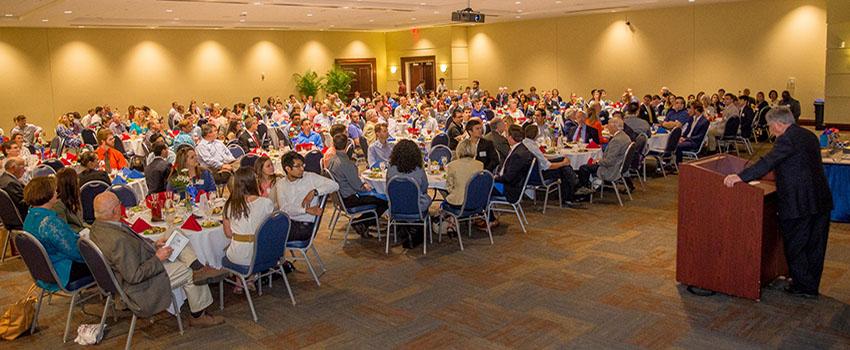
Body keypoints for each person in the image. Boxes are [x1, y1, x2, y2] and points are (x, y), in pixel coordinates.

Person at [723, 107, 832, 298]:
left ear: (779, 124)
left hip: (799, 202)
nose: (770, 131)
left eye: (771, 127)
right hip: (820, 199)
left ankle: (803, 287)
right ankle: (809, 283)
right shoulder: (808, 134)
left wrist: (740, 177)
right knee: (815, 245)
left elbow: (768, 162)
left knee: (796, 244)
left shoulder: (786, 139)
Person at [89, 191, 225, 326]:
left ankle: (198, 267)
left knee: (174, 231)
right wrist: (158, 258)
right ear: (115, 211)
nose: (122, 205)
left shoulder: (98, 227)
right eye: (120, 204)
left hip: (142, 260)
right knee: (189, 272)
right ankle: (198, 315)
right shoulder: (118, 241)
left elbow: (134, 247)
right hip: (142, 285)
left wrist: (154, 244)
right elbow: (134, 276)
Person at [23, 176, 90, 290]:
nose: (57, 193)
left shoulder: (30, 216)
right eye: (54, 190)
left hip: (44, 271)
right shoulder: (50, 222)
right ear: (48, 195)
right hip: (62, 272)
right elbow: (75, 251)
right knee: (107, 259)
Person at [222, 168, 275, 293]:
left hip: (240, 256)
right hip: (263, 255)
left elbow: (228, 233)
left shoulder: (230, 205)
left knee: (234, 247)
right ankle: (250, 278)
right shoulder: (266, 203)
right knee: (252, 245)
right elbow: (270, 228)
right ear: (253, 183)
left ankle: (240, 280)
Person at [327, 133, 387, 236]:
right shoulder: (347, 164)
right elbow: (358, 187)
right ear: (346, 145)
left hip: (339, 197)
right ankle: (362, 222)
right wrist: (367, 188)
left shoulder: (332, 160)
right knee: (384, 201)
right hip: (349, 199)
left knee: (376, 195)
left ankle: (362, 222)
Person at [274, 152, 339, 242]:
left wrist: (314, 192)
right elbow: (284, 209)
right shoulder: (280, 184)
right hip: (288, 222)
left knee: (269, 237)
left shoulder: (310, 177)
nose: (302, 169)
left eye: (302, 165)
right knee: (263, 231)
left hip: (304, 226)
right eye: (298, 166)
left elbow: (335, 185)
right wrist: (305, 210)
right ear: (288, 169)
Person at [522, 125, 582, 208]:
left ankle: (575, 185)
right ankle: (570, 194)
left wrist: (558, 159)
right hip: (538, 174)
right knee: (564, 169)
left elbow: (541, 158)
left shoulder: (525, 143)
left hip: (530, 171)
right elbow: (548, 166)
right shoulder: (533, 147)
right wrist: (563, 163)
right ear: (536, 135)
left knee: (562, 159)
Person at [387, 139, 431, 248]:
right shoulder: (419, 170)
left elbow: (388, 188)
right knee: (426, 198)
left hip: (396, 207)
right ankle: (415, 228)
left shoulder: (391, 170)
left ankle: (404, 228)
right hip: (416, 208)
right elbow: (424, 188)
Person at [576, 117, 631, 191]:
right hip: (619, 167)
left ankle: (585, 192)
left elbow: (609, 162)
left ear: (614, 127)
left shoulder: (616, 140)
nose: (607, 127)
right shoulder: (625, 136)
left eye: (609, 125)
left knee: (583, 168)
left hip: (611, 170)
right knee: (589, 164)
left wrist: (598, 161)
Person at [494, 125, 533, 204]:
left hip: (509, 189)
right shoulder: (521, 149)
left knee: (482, 186)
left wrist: (494, 178)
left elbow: (509, 178)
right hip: (509, 185)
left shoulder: (517, 155)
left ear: (511, 137)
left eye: (507, 135)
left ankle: (485, 214)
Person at [445, 139, 484, 207]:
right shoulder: (480, 165)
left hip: (459, 202)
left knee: (444, 203)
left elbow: (449, 187)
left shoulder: (452, 165)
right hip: (476, 201)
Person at [53, 168, 87, 232]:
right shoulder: (58, 204)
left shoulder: (75, 197)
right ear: (71, 182)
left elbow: (80, 223)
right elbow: (63, 230)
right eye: (77, 177)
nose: (79, 179)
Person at [0, 157, 29, 222]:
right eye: (23, 167)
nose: (24, 170)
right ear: (13, 168)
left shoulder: (4, 178)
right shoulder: (10, 183)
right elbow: (22, 205)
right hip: (20, 219)